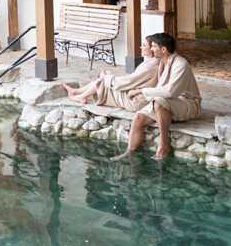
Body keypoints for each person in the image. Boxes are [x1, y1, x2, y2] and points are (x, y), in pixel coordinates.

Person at [111, 32, 201, 161]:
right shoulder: (161, 62)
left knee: (159, 101)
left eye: (153, 46)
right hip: (170, 101)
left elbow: (170, 92)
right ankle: (129, 153)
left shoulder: (180, 64)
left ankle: (163, 145)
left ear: (163, 49)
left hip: (188, 104)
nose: (152, 49)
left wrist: (140, 91)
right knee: (138, 118)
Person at [61, 35, 159, 111]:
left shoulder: (150, 66)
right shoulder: (152, 63)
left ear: (152, 48)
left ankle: (81, 96)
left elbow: (129, 81)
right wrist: (108, 76)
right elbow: (132, 79)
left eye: (144, 45)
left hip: (134, 100)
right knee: (106, 77)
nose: (141, 47)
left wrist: (107, 77)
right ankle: (76, 92)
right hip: (133, 94)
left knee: (104, 82)